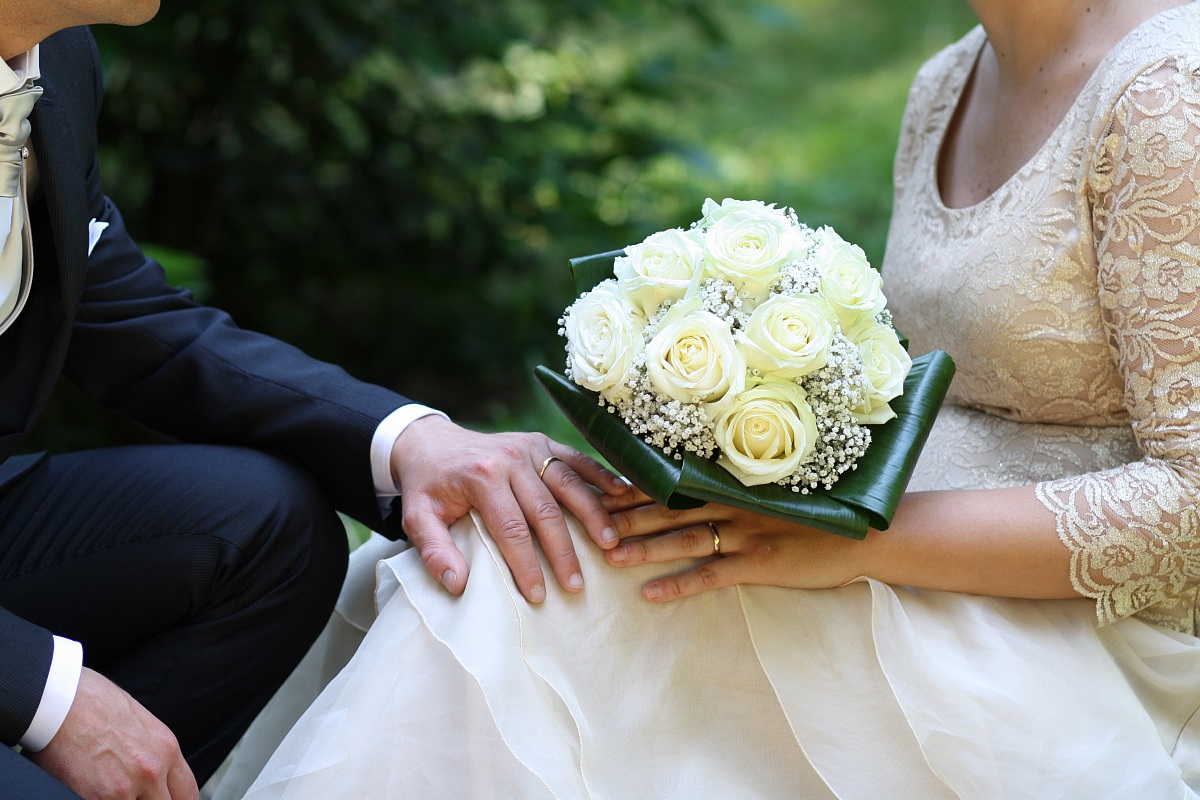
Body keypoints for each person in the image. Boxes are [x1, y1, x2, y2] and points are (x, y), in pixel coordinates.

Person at [235, 0, 1200, 797]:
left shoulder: (1164, 97)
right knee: (515, 555)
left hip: (1071, 630)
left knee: (535, 603)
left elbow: (1193, 508)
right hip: (870, 537)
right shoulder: (948, 81)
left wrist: (854, 543)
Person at [0, 2, 632, 798]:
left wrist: (408, 441)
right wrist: (50, 698)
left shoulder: (54, 57)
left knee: (269, 526)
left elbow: (130, 323)